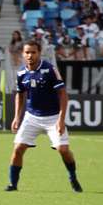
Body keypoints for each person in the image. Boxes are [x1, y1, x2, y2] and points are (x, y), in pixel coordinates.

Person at [7, 40, 82, 193]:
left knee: (63, 150)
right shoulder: (21, 72)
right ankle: (13, 184)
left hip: (53, 117)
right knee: (18, 149)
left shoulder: (49, 69)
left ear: (39, 53)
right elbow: (20, 96)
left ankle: (72, 177)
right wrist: (17, 117)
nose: (30, 55)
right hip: (31, 117)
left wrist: (61, 120)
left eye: (33, 52)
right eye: (27, 52)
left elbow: (63, 94)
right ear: (23, 54)